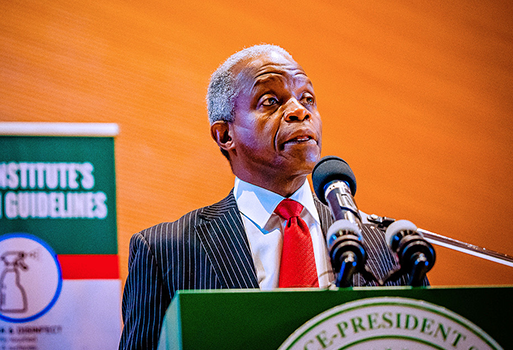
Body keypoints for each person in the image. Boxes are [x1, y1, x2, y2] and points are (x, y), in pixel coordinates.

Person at [119, 44, 408, 350]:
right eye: (270, 101)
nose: (300, 110)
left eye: (307, 98)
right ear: (225, 135)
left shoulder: (387, 245)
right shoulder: (166, 252)